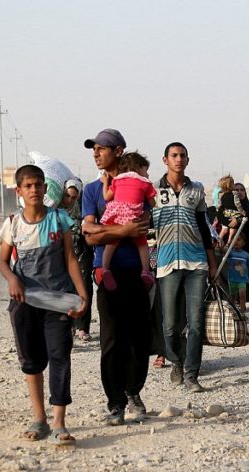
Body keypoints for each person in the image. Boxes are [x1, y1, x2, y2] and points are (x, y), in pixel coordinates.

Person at [0, 165, 89, 446]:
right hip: (25, 302)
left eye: (38, 185)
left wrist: (83, 296)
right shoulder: (13, 223)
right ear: (19, 191)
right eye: (28, 186)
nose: (34, 190)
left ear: (45, 188)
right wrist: (12, 279)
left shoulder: (59, 219)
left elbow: (70, 259)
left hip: (58, 301)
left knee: (60, 356)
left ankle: (59, 421)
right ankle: (40, 418)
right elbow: (3, 262)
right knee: (32, 361)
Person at [81, 128, 152, 425]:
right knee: (111, 341)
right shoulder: (92, 191)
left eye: (102, 148)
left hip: (137, 272)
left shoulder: (137, 184)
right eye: (94, 149)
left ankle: (133, 391)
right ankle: (115, 402)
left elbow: (142, 225)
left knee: (139, 339)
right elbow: (89, 235)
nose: (96, 154)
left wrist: (105, 229)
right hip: (106, 272)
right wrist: (122, 230)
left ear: (119, 151)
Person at [153, 142, 216, 392]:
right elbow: (146, 226)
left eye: (182, 156)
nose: (178, 159)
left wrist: (212, 263)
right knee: (169, 324)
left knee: (196, 322)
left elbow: (204, 228)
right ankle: (176, 361)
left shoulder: (196, 190)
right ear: (165, 160)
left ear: (188, 160)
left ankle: (192, 374)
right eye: (174, 155)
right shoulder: (153, 191)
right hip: (167, 263)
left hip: (196, 262)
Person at [97, 152, 157, 291]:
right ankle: (145, 271)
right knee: (142, 244)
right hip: (134, 219)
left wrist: (105, 182)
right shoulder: (145, 183)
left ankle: (105, 269)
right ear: (138, 168)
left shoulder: (117, 180)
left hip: (117, 216)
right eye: (145, 170)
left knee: (111, 243)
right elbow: (153, 203)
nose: (147, 173)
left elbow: (106, 197)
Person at [60, 179, 94, 342]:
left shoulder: (83, 207)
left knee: (84, 286)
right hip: (63, 252)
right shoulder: (57, 209)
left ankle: (83, 327)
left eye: (74, 197)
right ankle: (69, 325)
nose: (69, 200)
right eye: (67, 196)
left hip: (82, 250)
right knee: (66, 289)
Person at [226, 233, 249, 315]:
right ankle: (232, 313)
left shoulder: (246, 255)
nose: (236, 242)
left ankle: (242, 313)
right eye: (234, 240)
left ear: (243, 243)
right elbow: (223, 251)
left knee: (242, 295)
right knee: (232, 297)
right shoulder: (230, 253)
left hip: (242, 279)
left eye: (238, 240)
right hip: (232, 279)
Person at [215, 175, 246, 245]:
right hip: (233, 212)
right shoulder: (234, 194)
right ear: (230, 185)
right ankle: (229, 241)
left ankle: (218, 241)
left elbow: (219, 205)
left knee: (224, 229)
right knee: (233, 228)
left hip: (225, 213)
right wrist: (242, 212)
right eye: (233, 184)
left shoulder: (221, 195)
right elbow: (238, 204)